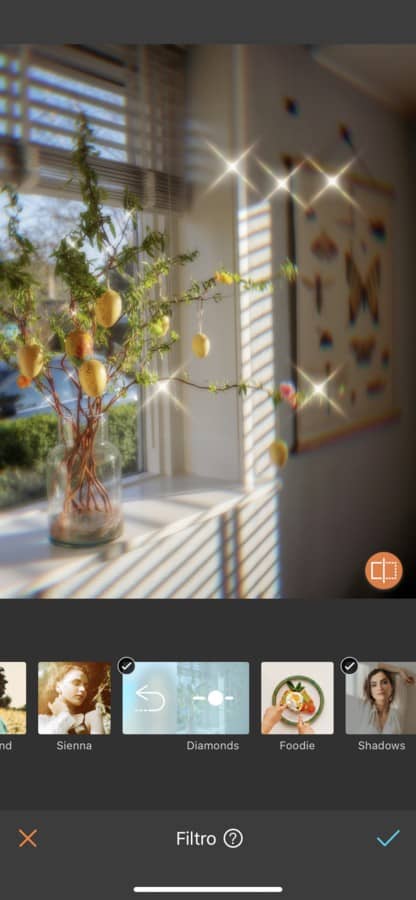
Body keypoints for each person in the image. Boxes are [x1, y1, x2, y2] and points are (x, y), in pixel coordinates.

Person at [38, 664, 105, 735]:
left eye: (85, 686)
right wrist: (63, 716)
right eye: (76, 683)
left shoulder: (92, 717)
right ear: (58, 686)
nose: (83, 689)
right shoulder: (41, 720)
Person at [355, 663, 415, 735]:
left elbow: (381, 666)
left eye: (384, 682)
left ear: (392, 687)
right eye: (374, 685)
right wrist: (400, 670)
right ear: (370, 691)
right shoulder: (364, 708)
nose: (379, 687)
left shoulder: (398, 710)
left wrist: (400, 671)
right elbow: (380, 665)